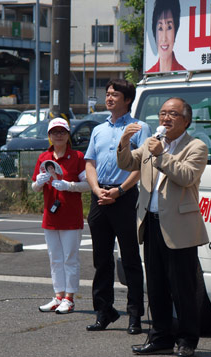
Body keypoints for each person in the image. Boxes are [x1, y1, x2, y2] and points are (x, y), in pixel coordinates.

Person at [117, 97, 209, 357]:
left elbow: (187, 175)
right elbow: (127, 163)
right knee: (156, 286)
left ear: (186, 120)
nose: (165, 119)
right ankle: (160, 338)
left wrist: (161, 154)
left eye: (172, 114)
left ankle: (187, 340)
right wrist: (123, 142)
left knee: (183, 287)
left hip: (179, 227)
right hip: (151, 222)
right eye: (162, 114)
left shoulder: (196, 146)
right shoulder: (150, 144)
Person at [85, 79, 151, 334]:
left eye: (115, 94)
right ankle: (104, 311)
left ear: (127, 100)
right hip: (99, 195)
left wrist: (120, 190)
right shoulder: (98, 129)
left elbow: (143, 164)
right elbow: (89, 162)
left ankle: (135, 315)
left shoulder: (139, 128)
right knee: (101, 260)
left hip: (125, 196)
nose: (109, 98)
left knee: (131, 259)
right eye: (108, 93)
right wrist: (96, 189)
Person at [33, 117, 90, 314]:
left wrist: (69, 186)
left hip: (71, 216)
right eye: (54, 132)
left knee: (70, 258)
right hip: (50, 215)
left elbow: (89, 185)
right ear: (49, 136)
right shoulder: (44, 158)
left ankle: (70, 298)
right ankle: (58, 296)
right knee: (54, 258)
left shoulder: (77, 156)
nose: (58, 135)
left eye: (62, 132)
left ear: (68, 135)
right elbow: (34, 187)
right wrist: (39, 182)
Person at [146, 0, 186, 73]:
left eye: (169, 27)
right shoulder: (149, 75)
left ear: (175, 30)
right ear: (154, 32)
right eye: (160, 28)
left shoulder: (184, 73)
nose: (164, 39)